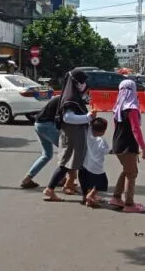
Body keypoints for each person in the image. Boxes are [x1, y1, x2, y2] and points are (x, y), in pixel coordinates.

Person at [43, 70, 95, 202]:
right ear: (75, 82)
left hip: (71, 133)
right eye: (82, 82)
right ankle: (86, 196)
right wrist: (88, 117)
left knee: (66, 164)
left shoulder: (71, 95)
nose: (84, 84)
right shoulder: (70, 97)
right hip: (74, 134)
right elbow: (68, 117)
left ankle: (50, 190)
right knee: (80, 164)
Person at [110, 79, 145, 213]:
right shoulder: (131, 109)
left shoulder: (117, 108)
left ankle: (116, 197)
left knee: (127, 170)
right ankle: (129, 204)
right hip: (128, 146)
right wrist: (143, 148)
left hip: (118, 144)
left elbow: (115, 127)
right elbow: (135, 130)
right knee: (132, 173)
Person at [20, 95, 61, 189]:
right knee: (66, 150)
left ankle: (27, 179)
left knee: (47, 155)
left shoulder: (59, 97)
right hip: (47, 125)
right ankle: (61, 179)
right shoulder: (65, 99)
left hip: (39, 124)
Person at [79, 117, 111, 208]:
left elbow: (89, 126)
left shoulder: (88, 137)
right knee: (102, 183)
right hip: (97, 167)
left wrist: (91, 116)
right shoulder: (101, 140)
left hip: (86, 164)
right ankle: (91, 195)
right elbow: (106, 151)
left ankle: (86, 197)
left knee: (85, 181)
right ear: (104, 131)